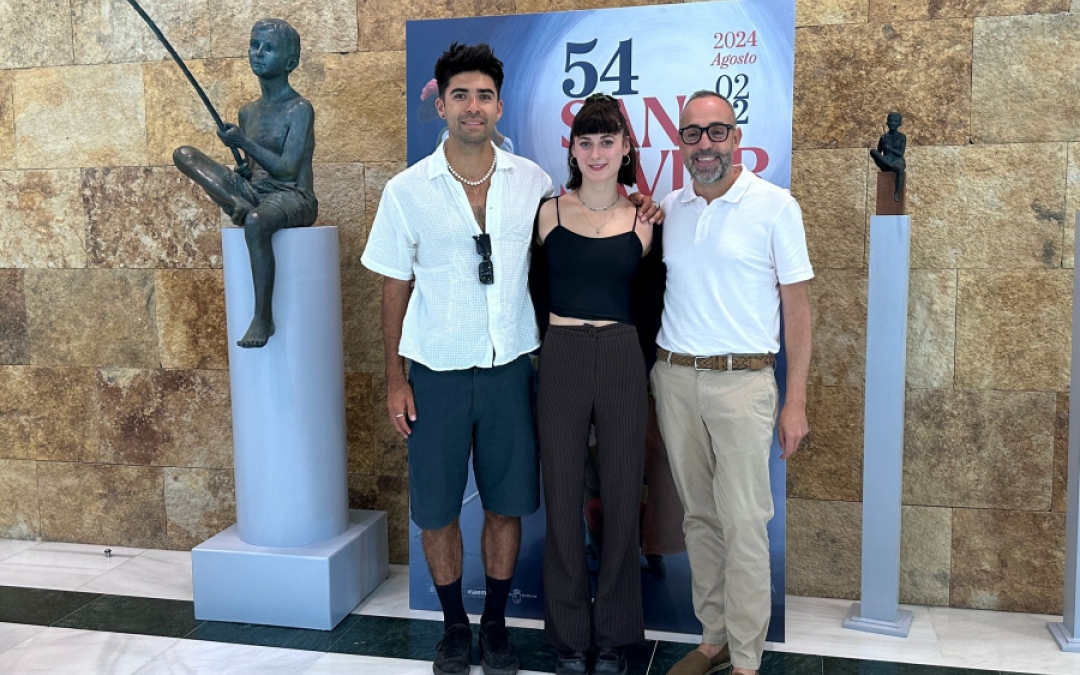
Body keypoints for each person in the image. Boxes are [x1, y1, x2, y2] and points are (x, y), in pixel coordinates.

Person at [361, 44, 660, 675]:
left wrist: (642, 208)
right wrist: (394, 378)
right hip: (436, 370)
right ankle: (453, 628)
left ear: (500, 106)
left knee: (507, 504)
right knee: (437, 509)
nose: (473, 107)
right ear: (441, 106)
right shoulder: (405, 191)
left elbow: (580, 256)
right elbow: (393, 284)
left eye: (485, 95)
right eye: (461, 95)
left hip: (513, 372)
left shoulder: (533, 183)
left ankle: (495, 627)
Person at [652, 90, 813, 675]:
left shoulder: (775, 206)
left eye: (716, 131)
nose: (705, 145)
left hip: (743, 384)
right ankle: (713, 638)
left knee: (744, 522)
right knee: (699, 517)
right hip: (674, 379)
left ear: (736, 138)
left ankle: (746, 660)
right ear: (681, 143)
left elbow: (798, 309)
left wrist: (795, 401)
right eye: (692, 134)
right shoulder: (670, 208)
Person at [528, 94, 665, 675]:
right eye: (585, 141)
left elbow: (653, 305)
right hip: (560, 355)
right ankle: (568, 638)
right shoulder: (547, 214)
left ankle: (613, 636)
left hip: (621, 355)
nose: (597, 152)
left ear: (627, 147)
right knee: (561, 498)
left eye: (608, 140)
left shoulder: (646, 220)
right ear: (573, 150)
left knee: (621, 496)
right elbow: (532, 293)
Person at [173, 19, 317, 348]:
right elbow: (256, 168)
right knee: (185, 155)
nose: (258, 53)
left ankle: (263, 317)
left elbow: (286, 171)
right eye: (254, 45)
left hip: (293, 195)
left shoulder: (299, 109)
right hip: (257, 193)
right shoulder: (248, 112)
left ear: (290, 62)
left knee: (255, 221)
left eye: (269, 48)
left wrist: (243, 142)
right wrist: (244, 172)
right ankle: (236, 201)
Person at [869, 111, 906, 201]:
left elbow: (901, 153)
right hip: (886, 161)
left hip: (898, 160)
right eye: (891, 121)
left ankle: (896, 193)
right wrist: (884, 158)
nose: (892, 123)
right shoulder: (883, 138)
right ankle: (891, 166)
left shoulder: (902, 137)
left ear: (899, 123)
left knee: (899, 169)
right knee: (873, 151)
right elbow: (878, 153)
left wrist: (890, 149)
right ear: (887, 122)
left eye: (895, 121)